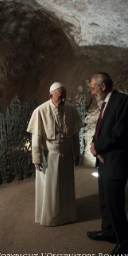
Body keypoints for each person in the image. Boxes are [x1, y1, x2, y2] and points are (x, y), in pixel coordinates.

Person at [88, 72, 128, 256]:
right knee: (105, 200)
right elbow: (101, 128)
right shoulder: (107, 102)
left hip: (116, 163)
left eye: (93, 88)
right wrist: (94, 145)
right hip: (104, 160)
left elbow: (119, 133)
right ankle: (109, 232)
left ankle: (125, 244)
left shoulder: (121, 100)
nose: (92, 92)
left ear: (102, 86)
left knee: (115, 204)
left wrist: (97, 147)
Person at [27, 82, 83, 226]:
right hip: (49, 157)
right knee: (50, 189)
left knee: (66, 187)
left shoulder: (71, 109)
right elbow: (36, 139)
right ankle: (51, 217)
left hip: (67, 155)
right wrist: (37, 158)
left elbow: (75, 135)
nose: (64, 100)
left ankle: (67, 215)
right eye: (60, 97)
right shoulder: (40, 111)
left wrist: (77, 153)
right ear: (50, 95)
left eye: (65, 97)